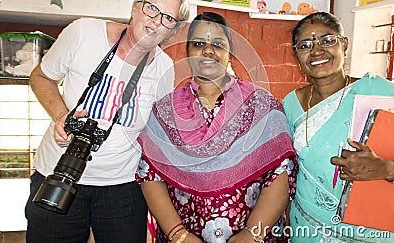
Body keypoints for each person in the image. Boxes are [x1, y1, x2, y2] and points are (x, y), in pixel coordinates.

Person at [25, 0, 190, 243]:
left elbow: (158, 131)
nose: (156, 21)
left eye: (168, 18)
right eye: (151, 8)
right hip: (59, 172)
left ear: (173, 30)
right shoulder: (84, 33)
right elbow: (41, 77)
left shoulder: (164, 68)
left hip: (121, 187)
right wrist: (60, 116)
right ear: (135, 6)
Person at [136, 12, 297, 243]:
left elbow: (281, 172)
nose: (208, 50)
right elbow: (149, 174)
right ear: (188, 52)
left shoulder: (260, 105)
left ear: (229, 52)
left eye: (218, 44)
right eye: (199, 43)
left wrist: (252, 234)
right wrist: (178, 235)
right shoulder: (165, 111)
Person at [283, 12, 394, 242]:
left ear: (344, 44)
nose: (317, 51)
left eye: (327, 40)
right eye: (305, 45)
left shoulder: (383, 93)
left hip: (368, 232)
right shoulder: (290, 104)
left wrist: (387, 170)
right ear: (297, 55)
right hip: (306, 229)